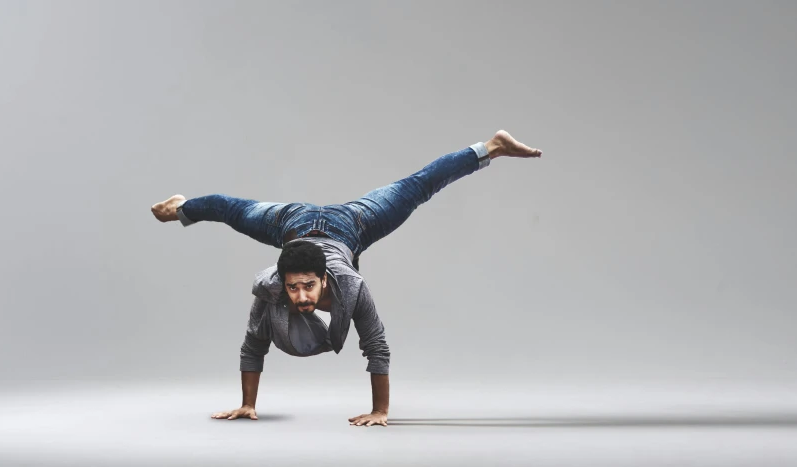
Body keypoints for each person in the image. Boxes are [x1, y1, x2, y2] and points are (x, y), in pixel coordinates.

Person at [151, 130, 542, 427]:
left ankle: (491, 146)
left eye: (308, 286)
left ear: (324, 279)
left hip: (351, 223)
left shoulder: (351, 285)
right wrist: (248, 404)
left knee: (418, 187)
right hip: (291, 222)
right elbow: (254, 343)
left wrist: (380, 411)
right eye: (293, 287)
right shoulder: (271, 287)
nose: (301, 296)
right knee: (229, 210)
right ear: (281, 281)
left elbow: (375, 343)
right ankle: (183, 208)